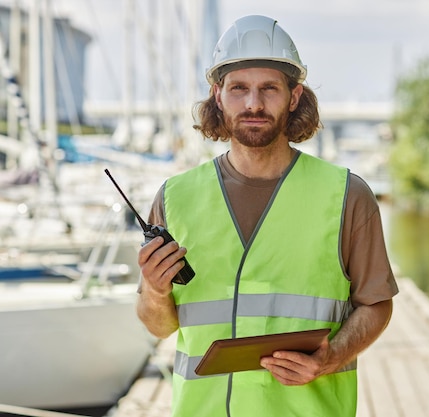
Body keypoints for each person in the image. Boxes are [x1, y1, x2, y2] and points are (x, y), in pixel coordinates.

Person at [136, 14, 398, 417]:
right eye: (239, 88)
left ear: (294, 97)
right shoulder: (174, 198)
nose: (254, 103)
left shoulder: (347, 196)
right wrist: (155, 291)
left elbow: (377, 305)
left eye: (269, 89)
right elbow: (159, 326)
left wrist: (332, 357)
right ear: (218, 95)